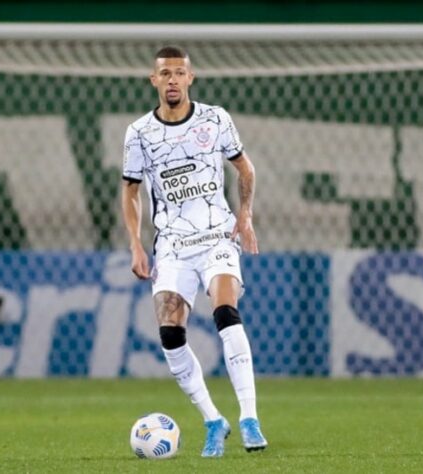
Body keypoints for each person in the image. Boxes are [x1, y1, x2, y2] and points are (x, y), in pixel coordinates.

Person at [120, 45, 267, 458]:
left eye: (178, 73)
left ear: (190, 78)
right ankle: (212, 420)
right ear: (154, 80)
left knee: (225, 311)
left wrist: (247, 217)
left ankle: (249, 418)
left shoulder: (215, 119)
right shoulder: (139, 133)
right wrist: (135, 243)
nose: (171, 79)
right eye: (164, 73)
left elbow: (245, 168)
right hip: (172, 246)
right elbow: (130, 190)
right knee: (170, 333)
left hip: (217, 236)